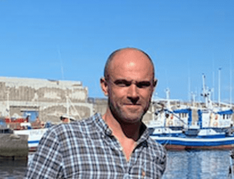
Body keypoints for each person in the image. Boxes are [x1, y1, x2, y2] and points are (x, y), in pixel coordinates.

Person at [26, 47, 166, 178]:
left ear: (153, 88)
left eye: (143, 85)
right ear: (105, 86)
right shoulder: (62, 140)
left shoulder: (156, 153)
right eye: (123, 84)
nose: (133, 94)